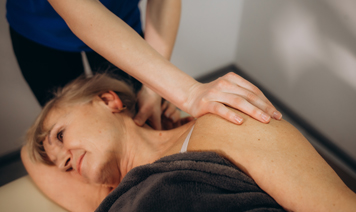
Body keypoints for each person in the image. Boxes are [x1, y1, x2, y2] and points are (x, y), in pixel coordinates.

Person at [22, 73, 356, 212]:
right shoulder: (107, 195)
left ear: (107, 100)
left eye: (60, 136)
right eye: (64, 166)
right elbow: (30, 158)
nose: (67, 160)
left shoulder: (221, 126)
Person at [7, 0, 282, 129]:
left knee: (144, 117)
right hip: (38, 29)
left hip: (122, 18)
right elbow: (79, 11)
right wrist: (187, 91)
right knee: (70, 129)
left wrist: (153, 87)